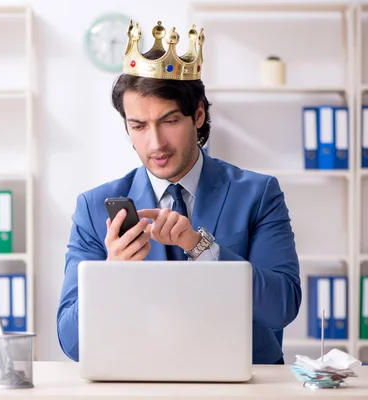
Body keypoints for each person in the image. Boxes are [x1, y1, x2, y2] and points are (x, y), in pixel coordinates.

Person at [56, 21, 302, 365]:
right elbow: (71, 344)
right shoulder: (94, 207)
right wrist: (111, 273)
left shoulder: (258, 194)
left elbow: (281, 308)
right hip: (139, 380)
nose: (155, 143)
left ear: (198, 114)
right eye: (138, 126)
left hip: (242, 383)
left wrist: (201, 247)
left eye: (169, 121)